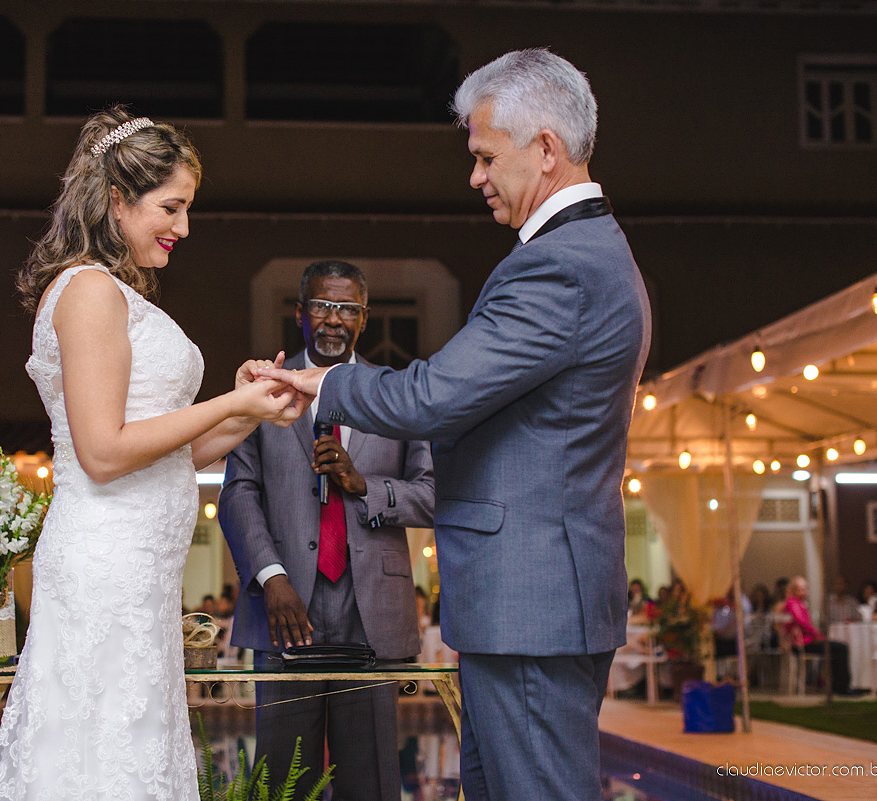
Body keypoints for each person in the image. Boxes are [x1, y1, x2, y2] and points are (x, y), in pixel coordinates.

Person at [258, 49, 650, 801]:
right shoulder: (595, 253)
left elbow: (432, 397)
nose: (474, 176)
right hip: (535, 604)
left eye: (484, 155)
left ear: (545, 148)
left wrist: (323, 383)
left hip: (529, 610)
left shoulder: (558, 267)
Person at [0, 108, 303, 801]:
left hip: (140, 572)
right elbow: (102, 452)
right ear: (118, 202)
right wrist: (228, 403)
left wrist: (250, 409)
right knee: (96, 759)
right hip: (106, 565)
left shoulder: (115, 292)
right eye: (172, 207)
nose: (183, 227)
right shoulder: (90, 292)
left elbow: (170, 452)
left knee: (131, 754)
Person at [219, 259, 435, 801]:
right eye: (321, 305)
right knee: (284, 782)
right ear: (300, 314)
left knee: (371, 782)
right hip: (284, 611)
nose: (333, 319)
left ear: (364, 319)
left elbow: (432, 495)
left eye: (347, 309)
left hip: (372, 613)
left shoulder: (397, 393)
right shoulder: (262, 390)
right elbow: (238, 492)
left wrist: (365, 485)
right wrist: (271, 577)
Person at [783, 575, 853, 694]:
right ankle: (841, 687)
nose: (805, 592)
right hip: (802, 644)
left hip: (808, 640)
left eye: (805, 588)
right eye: (801, 589)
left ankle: (838, 685)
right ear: (794, 590)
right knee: (840, 648)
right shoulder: (792, 604)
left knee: (837, 648)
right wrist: (817, 636)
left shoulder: (799, 604)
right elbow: (802, 623)